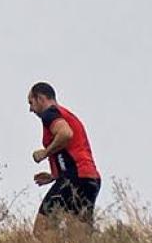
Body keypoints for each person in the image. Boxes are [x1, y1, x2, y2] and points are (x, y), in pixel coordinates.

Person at [27, 82, 99, 233]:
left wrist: (44, 153)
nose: (30, 109)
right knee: (79, 236)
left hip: (74, 178)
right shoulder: (66, 114)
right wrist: (54, 176)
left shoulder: (50, 114)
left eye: (31, 103)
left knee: (41, 230)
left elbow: (66, 134)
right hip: (90, 179)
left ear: (40, 98)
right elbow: (72, 150)